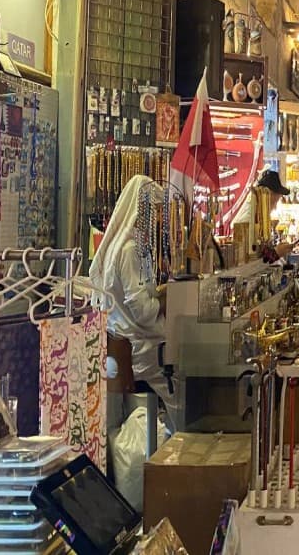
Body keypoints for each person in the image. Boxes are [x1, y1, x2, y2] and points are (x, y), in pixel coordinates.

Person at [90, 176, 178, 431]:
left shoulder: (123, 246)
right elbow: (142, 311)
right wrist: (164, 300)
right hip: (142, 350)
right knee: (181, 387)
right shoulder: (129, 250)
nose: (160, 219)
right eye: (157, 211)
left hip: (129, 341)